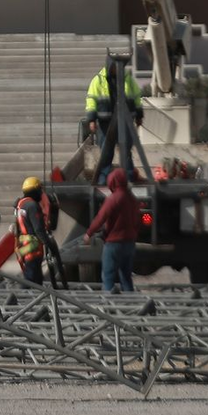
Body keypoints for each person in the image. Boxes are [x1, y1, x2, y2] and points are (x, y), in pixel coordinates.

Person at [85, 53, 143, 184]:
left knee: (126, 151)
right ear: (109, 66)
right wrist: (92, 119)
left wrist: (139, 115)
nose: (116, 69)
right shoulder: (98, 80)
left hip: (125, 121)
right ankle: (102, 179)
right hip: (106, 122)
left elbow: (137, 98)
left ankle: (128, 178)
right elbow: (91, 101)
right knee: (106, 152)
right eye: (114, 66)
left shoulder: (128, 79)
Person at [83, 167, 142, 293]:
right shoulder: (133, 199)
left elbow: (101, 217)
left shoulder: (113, 198)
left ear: (113, 181)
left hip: (114, 243)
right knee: (126, 277)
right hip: (130, 243)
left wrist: (89, 233)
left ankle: (108, 302)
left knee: (108, 276)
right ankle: (131, 301)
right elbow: (138, 221)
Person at [14, 177, 57, 286]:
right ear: (35, 190)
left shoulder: (20, 204)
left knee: (33, 279)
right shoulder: (32, 206)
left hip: (24, 247)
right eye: (40, 190)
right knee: (32, 281)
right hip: (33, 248)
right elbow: (39, 230)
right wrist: (50, 246)